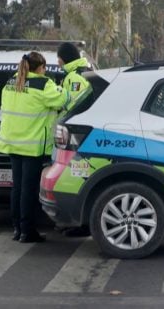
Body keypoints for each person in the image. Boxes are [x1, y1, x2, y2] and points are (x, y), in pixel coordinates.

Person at [0, 52, 69, 243]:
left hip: (13, 143)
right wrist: (64, 89)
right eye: (44, 68)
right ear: (40, 67)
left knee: (17, 188)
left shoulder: (11, 82)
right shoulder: (43, 84)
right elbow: (63, 100)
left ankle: (17, 229)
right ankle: (28, 231)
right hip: (31, 145)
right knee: (28, 190)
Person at [57, 42, 92, 237]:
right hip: (83, 135)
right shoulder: (83, 70)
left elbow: (75, 105)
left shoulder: (74, 76)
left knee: (77, 179)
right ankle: (79, 224)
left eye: (59, 57)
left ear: (63, 58)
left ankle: (80, 226)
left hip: (76, 135)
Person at [57, 42, 92, 111]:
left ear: (65, 57)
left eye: (59, 58)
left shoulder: (75, 77)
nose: (58, 61)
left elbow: (74, 104)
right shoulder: (84, 71)